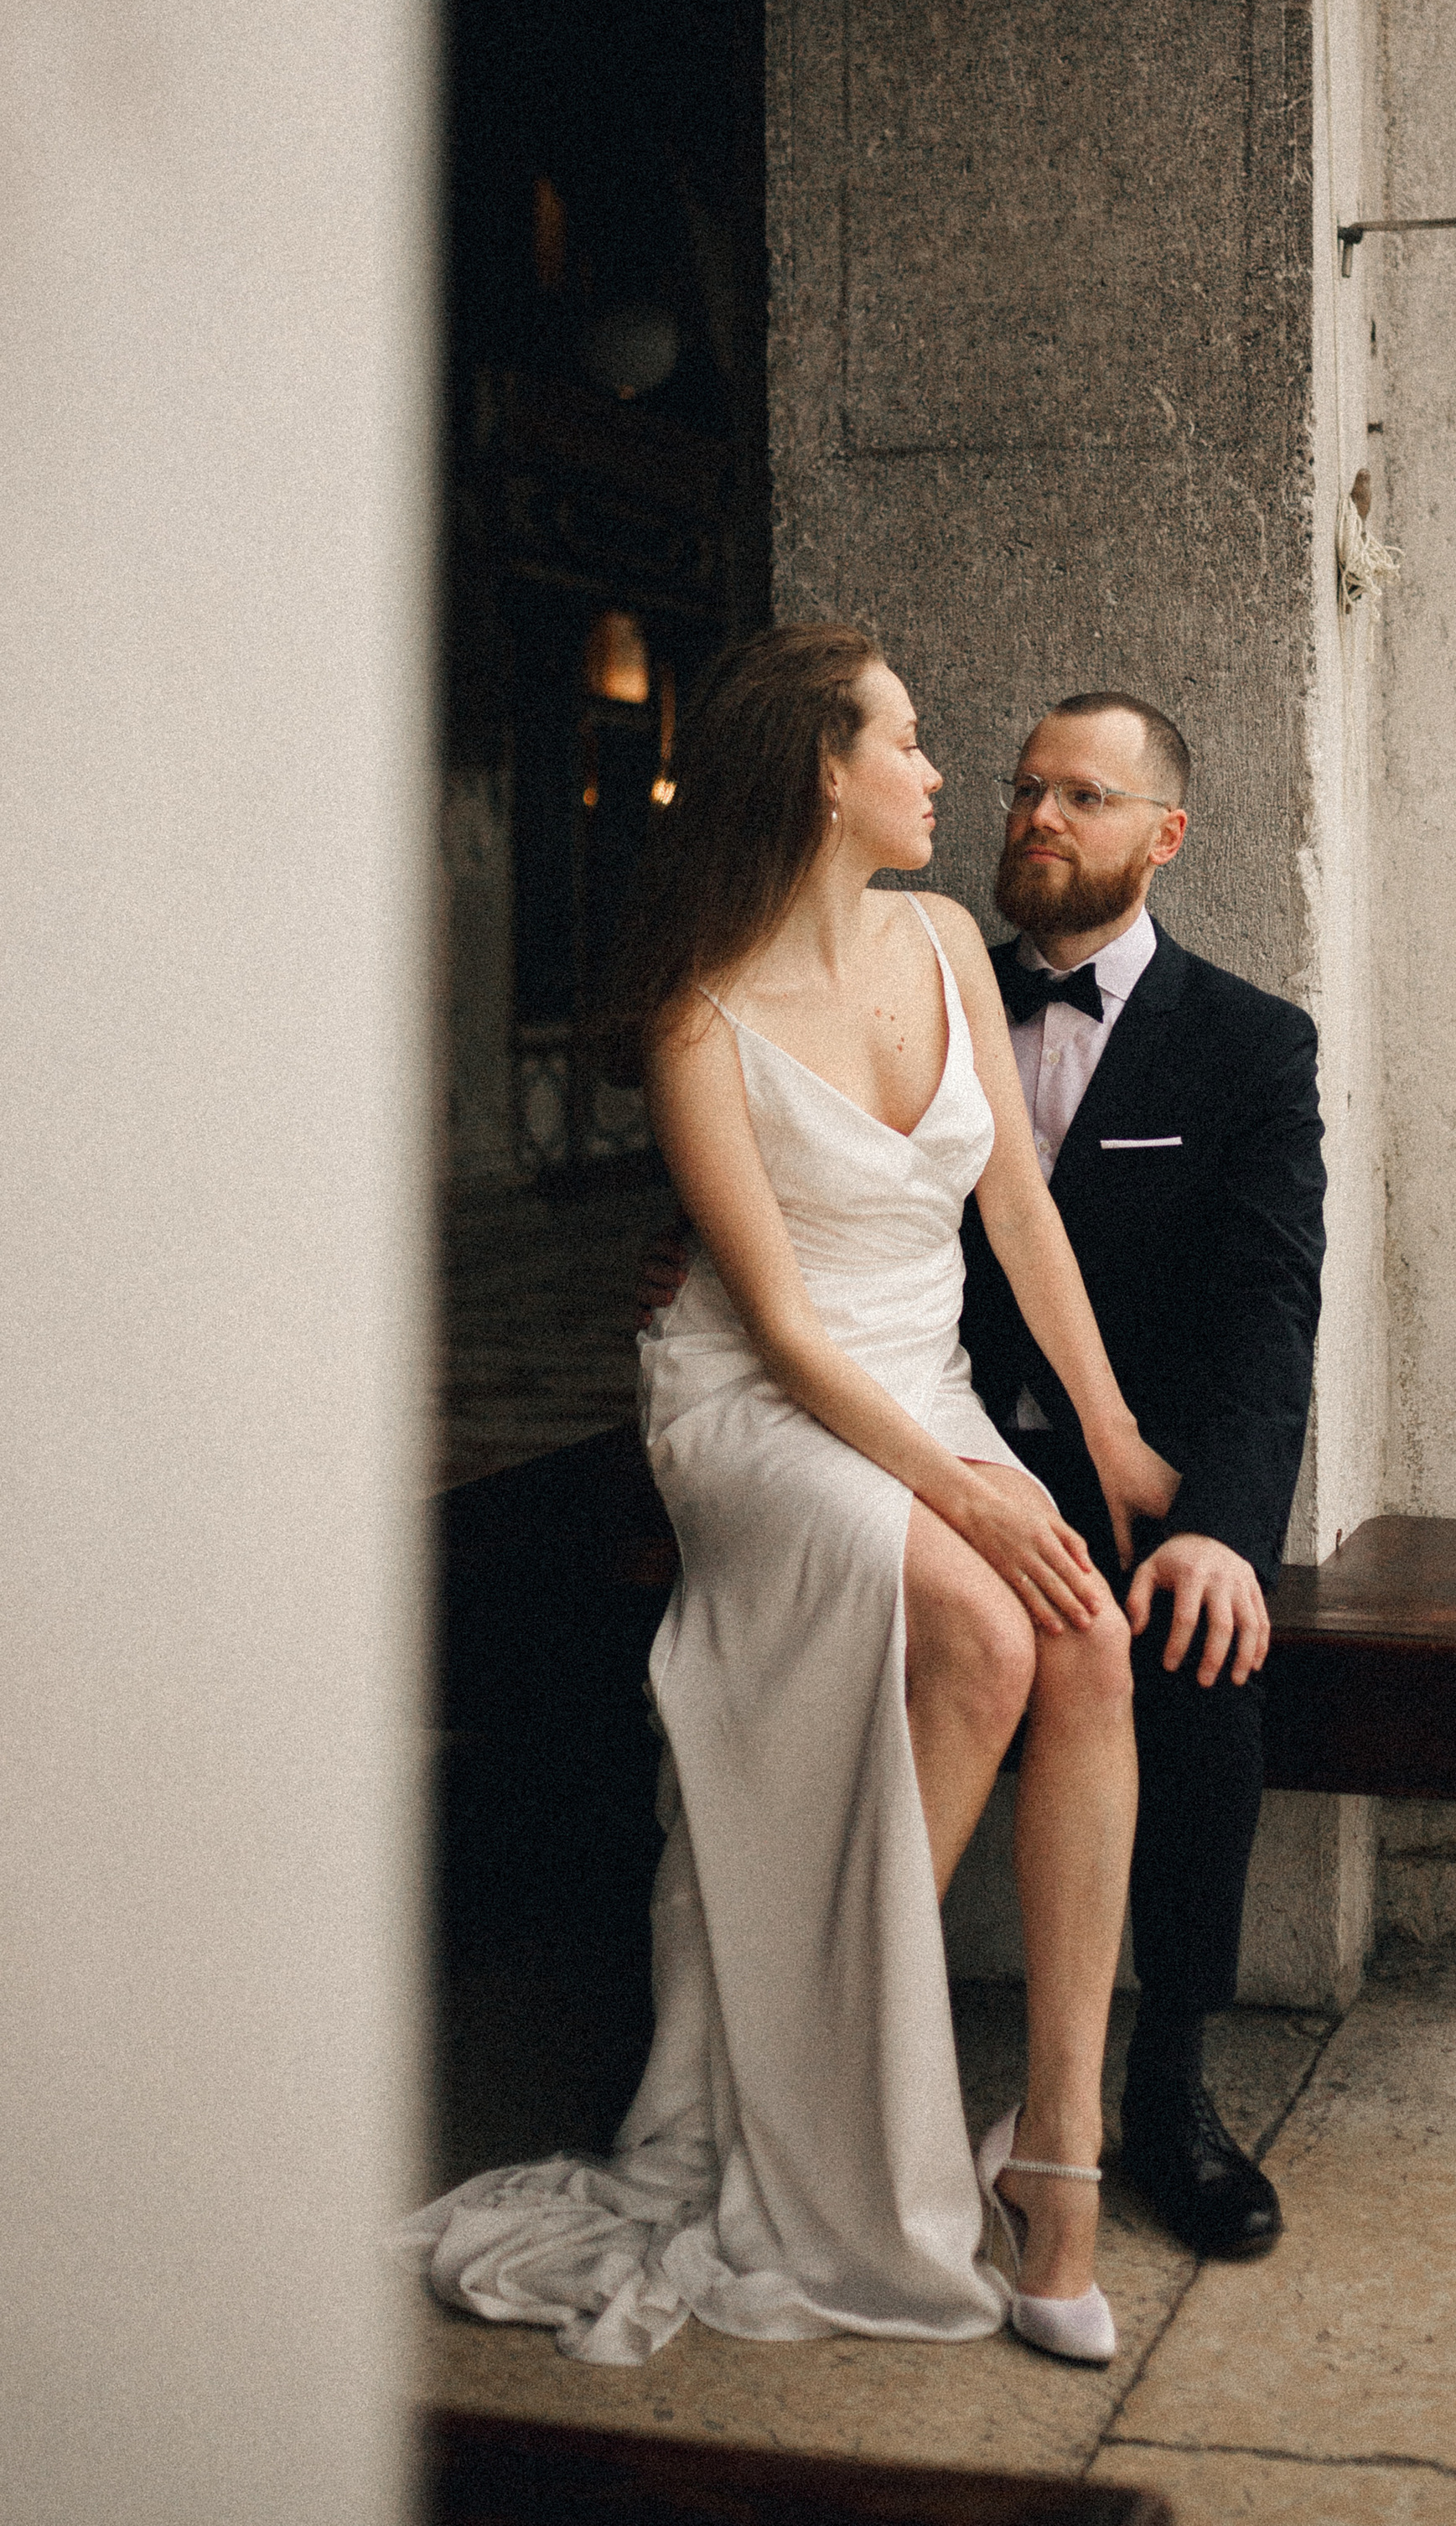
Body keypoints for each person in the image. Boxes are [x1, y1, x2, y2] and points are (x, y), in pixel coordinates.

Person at [399, 625, 1167, 2367]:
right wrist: (973, 1506)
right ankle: (817, 2083)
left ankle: (1059, 2160)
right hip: (755, 1398)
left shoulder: (945, 937)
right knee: (983, 1621)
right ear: (824, 775)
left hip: (920, 1374)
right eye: (905, 740)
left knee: (1088, 1651)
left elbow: (1019, 1223)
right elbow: (784, 1334)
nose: (937, 772)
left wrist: (1105, 1446)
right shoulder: (701, 1019)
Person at [640, 685, 1327, 2259]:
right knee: (1013, 1628)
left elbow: (1267, 1310)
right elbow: (796, 1241)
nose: (1026, 809)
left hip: (1064, 1435)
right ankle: (851, 2074)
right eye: (1022, 783)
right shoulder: (861, 968)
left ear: (1162, 837)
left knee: (1174, 1634)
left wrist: (1207, 1510)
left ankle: (1150, 2095)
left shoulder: (1244, 1043)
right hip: (871, 1410)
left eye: (1079, 795)